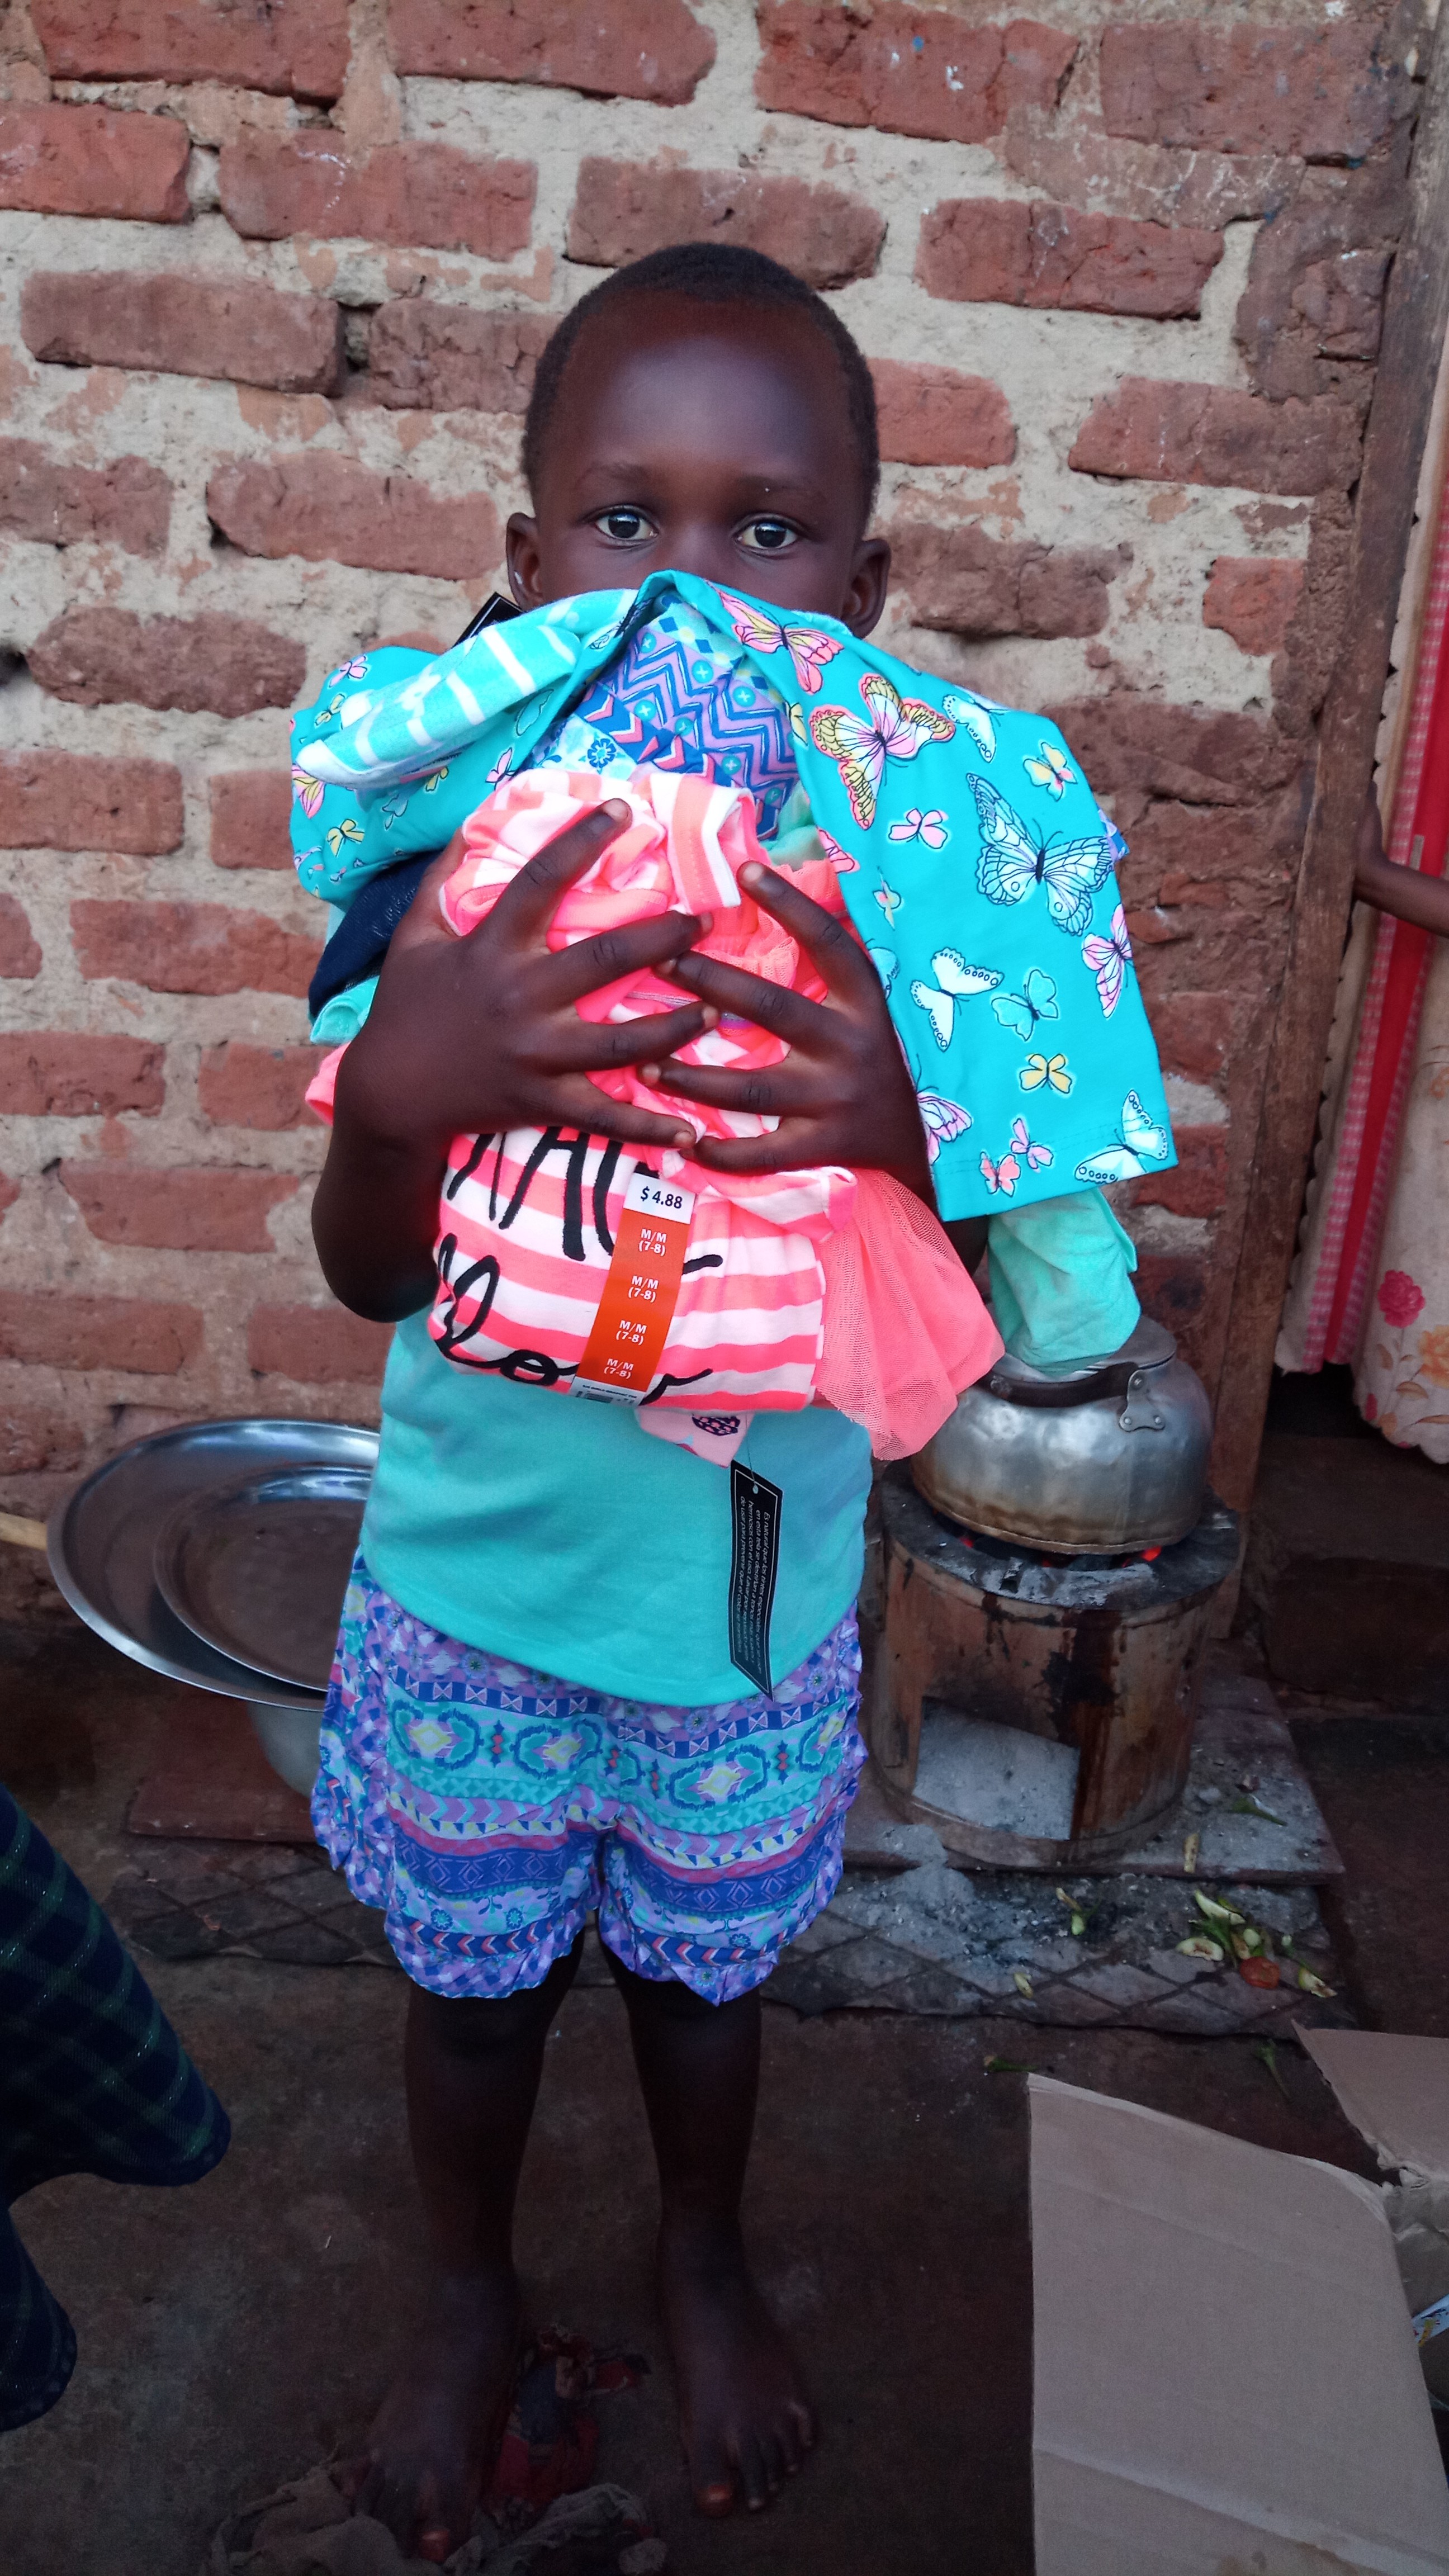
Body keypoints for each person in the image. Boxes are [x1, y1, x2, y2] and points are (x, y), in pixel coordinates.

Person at [294, 244, 1173, 2556]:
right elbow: (373, 1273)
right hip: (476, 1601)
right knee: (473, 2005)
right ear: (523, 571)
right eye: (626, 522)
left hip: (747, 1628)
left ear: (863, 591)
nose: (691, 589)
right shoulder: (462, 894)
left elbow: (1033, 1308)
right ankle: (465, 2291)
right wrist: (405, 1087)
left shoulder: (911, 922)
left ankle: (700, 2253)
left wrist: (918, 1121)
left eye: (767, 532)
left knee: (704, 1997)